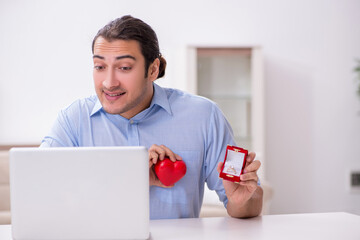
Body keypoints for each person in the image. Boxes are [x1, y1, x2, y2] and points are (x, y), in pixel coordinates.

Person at [40, 15, 263, 219]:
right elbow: (40, 194)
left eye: (124, 67)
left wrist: (243, 200)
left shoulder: (205, 116)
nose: (109, 82)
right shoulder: (73, 120)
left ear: (153, 69)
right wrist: (128, 178)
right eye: (99, 66)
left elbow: (247, 206)